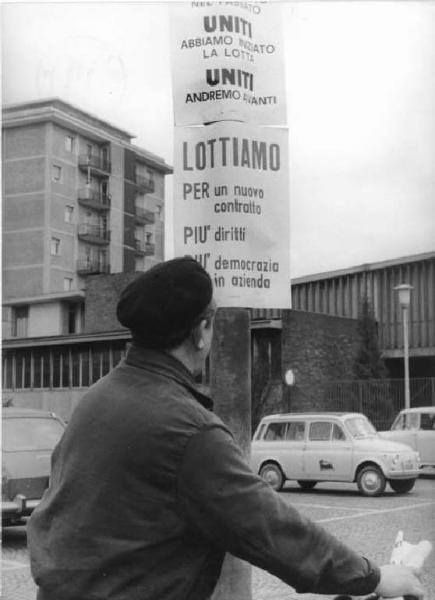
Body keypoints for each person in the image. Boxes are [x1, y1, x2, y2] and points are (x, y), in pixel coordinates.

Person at [27, 257, 425, 600]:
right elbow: (273, 529)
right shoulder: (188, 429)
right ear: (201, 332)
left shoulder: (98, 397)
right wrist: (375, 576)